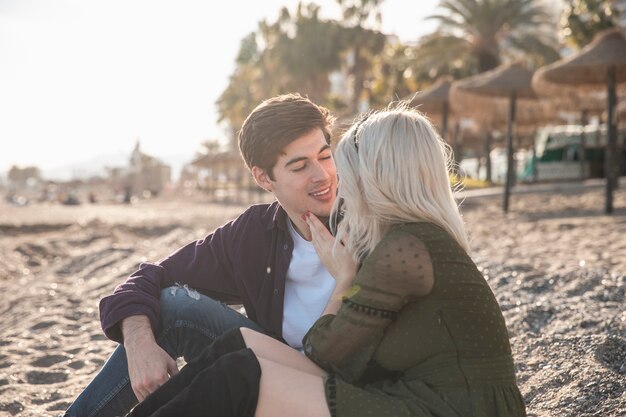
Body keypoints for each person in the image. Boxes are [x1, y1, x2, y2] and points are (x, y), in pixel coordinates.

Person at [127, 103, 527, 417]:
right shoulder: (411, 236)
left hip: (446, 409)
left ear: (377, 173)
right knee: (236, 346)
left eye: (335, 161)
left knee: (238, 376)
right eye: (301, 166)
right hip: (420, 397)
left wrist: (344, 278)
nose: (334, 179)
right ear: (264, 177)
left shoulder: (402, 248)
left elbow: (324, 350)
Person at [63, 93, 342, 417]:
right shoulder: (254, 233)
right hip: (275, 372)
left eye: (325, 156)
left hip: (348, 391)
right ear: (263, 178)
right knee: (174, 306)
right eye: (299, 166)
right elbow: (151, 279)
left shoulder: (370, 220)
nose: (322, 175)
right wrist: (139, 343)